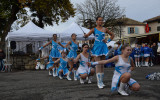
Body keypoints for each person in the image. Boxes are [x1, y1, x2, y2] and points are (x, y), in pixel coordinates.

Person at [84, 16, 114, 89]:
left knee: (102, 64)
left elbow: (113, 35)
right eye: (99, 20)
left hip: (103, 47)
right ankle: (99, 82)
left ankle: (101, 81)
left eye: (102, 20)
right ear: (96, 21)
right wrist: (85, 35)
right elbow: (87, 35)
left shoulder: (105, 29)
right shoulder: (93, 29)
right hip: (97, 47)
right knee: (98, 64)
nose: (101, 22)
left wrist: (108, 41)